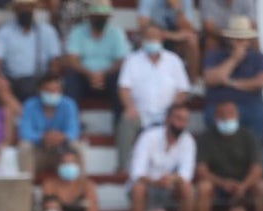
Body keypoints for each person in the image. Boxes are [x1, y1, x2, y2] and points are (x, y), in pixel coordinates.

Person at [116, 22, 191, 172]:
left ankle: (175, 170)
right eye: (148, 37)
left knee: (179, 122)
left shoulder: (173, 60)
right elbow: (123, 88)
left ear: (162, 38)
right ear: (142, 39)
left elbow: (183, 90)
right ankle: (122, 167)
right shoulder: (132, 60)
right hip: (140, 112)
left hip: (167, 113)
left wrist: (172, 109)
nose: (152, 40)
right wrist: (130, 107)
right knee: (126, 119)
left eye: (155, 37)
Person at [195, 100, 263, 211]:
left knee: (262, 187)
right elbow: (202, 170)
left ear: (238, 117)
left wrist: (244, 185)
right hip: (217, 186)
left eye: (232, 115)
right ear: (216, 118)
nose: (228, 118)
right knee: (203, 188)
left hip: (244, 185)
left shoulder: (249, 136)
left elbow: (257, 168)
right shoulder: (206, 138)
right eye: (224, 115)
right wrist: (222, 183)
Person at [202, 16, 263, 146]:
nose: (241, 42)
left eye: (244, 38)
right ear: (230, 39)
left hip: (251, 106)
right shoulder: (214, 55)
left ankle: (250, 151)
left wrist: (231, 83)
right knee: (213, 116)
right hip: (219, 104)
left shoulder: (259, 57)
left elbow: (261, 81)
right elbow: (212, 79)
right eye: (237, 38)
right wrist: (234, 60)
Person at [128, 103, 195, 211]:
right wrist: (155, 182)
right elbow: (137, 172)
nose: (181, 124)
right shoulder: (148, 136)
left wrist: (171, 179)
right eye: (178, 119)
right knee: (138, 189)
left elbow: (186, 174)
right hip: (148, 185)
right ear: (167, 119)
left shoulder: (188, 140)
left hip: (171, 186)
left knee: (187, 188)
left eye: (185, 120)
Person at [61, 2, 129, 123]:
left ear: (108, 18)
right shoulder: (78, 31)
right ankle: (71, 124)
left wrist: (103, 74)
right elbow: (72, 59)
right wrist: (89, 74)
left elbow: (121, 60)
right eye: (97, 16)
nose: (100, 20)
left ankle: (119, 125)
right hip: (84, 76)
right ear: (90, 17)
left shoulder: (116, 32)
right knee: (71, 79)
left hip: (108, 76)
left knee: (121, 81)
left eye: (103, 17)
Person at [0, 0, 61, 112]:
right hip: (13, 79)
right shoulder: (4, 32)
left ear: (34, 10)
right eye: (22, 8)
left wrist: (51, 79)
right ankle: (24, 115)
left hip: (40, 78)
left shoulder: (47, 31)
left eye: (29, 8)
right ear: (16, 11)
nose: (26, 11)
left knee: (54, 86)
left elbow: (55, 60)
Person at [18, 74, 81, 178]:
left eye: (56, 90)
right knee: (24, 146)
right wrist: (43, 137)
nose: (53, 93)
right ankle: (26, 188)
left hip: (61, 152)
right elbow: (25, 132)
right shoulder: (30, 105)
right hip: (38, 152)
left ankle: (79, 188)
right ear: (40, 91)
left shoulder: (69, 104)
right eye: (49, 90)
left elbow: (73, 131)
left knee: (76, 146)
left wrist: (60, 137)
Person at [39, 146, 98, 211]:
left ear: (78, 165)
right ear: (58, 165)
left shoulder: (87, 186)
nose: (68, 165)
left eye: (71, 162)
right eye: (64, 162)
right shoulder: (49, 185)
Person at [136, 0, 200, 80]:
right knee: (144, 37)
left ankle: (191, 83)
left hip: (176, 39)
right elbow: (143, 26)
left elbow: (189, 30)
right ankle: (142, 78)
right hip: (154, 35)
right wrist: (168, 35)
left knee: (192, 41)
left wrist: (177, 9)